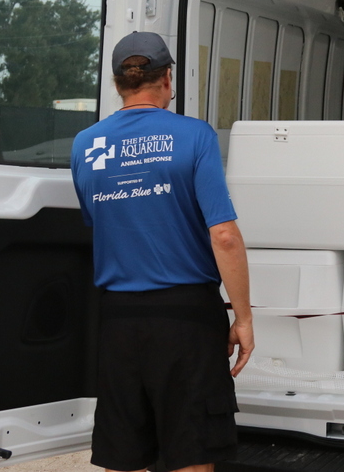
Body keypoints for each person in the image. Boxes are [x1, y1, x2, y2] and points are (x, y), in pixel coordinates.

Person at [71, 31, 254, 472]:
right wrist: (243, 318)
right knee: (191, 453)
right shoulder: (194, 136)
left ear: (118, 83)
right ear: (167, 78)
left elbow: (101, 222)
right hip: (186, 321)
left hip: (118, 321)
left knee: (125, 455)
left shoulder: (86, 145)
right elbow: (224, 236)